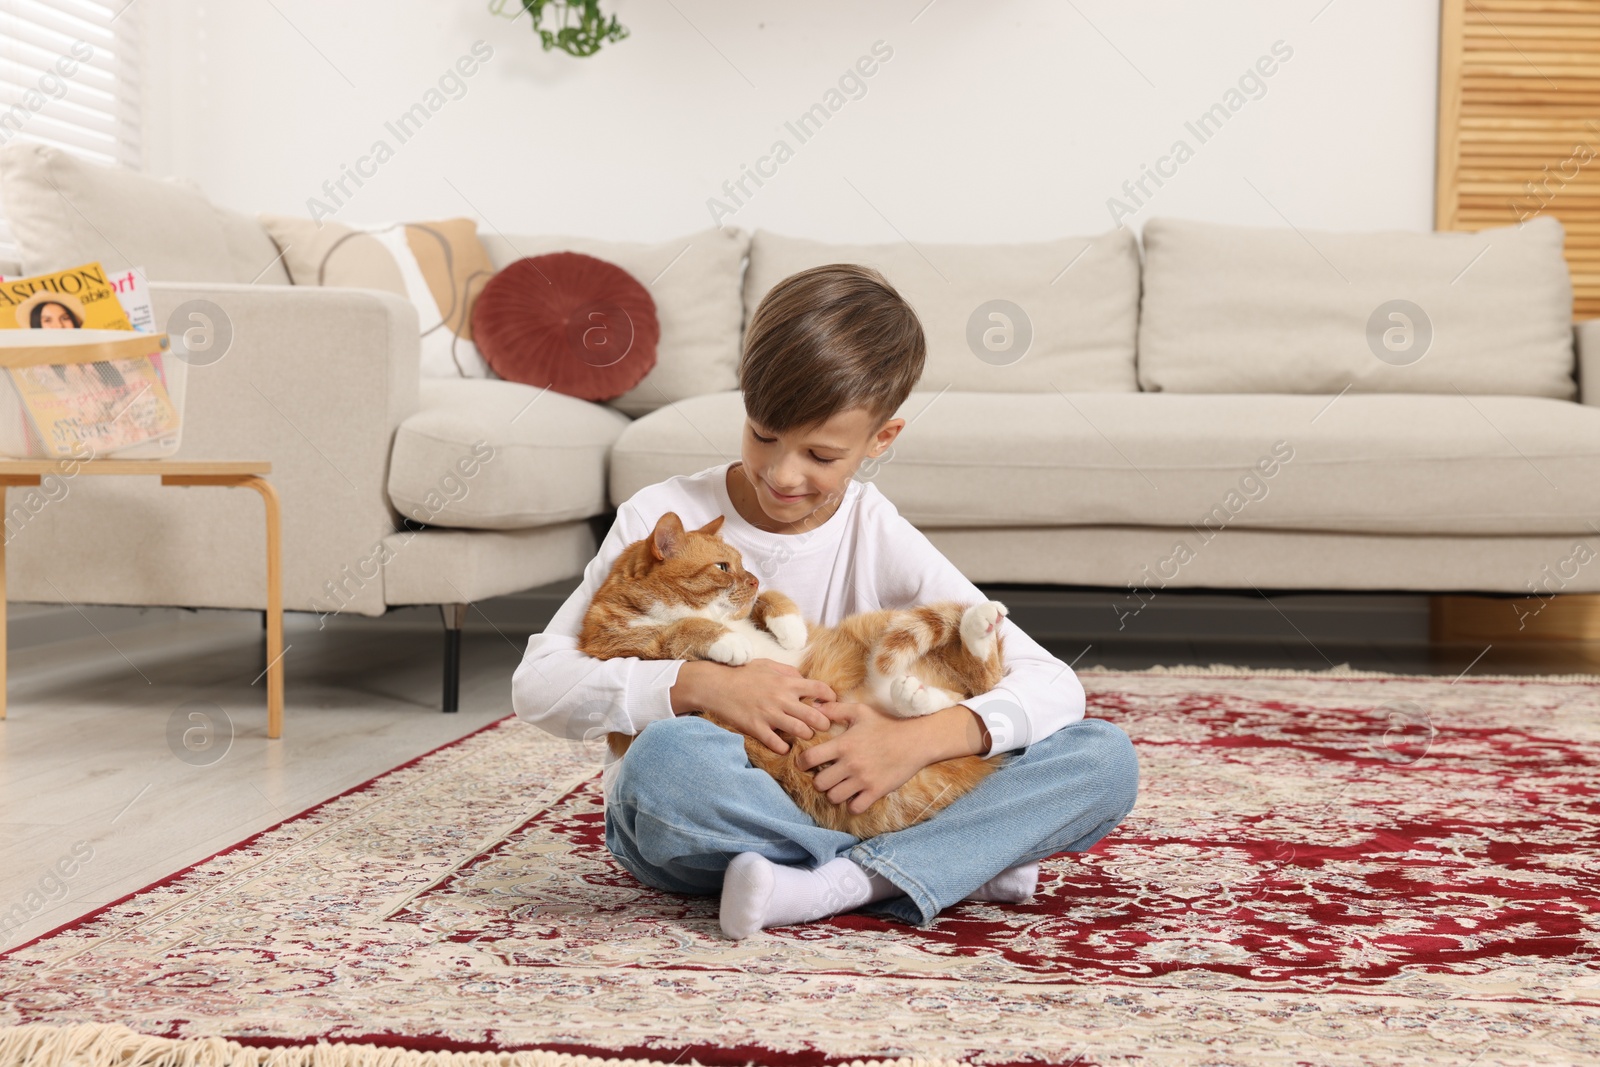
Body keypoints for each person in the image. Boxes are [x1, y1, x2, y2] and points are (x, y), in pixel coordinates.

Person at [512, 263, 1139, 939]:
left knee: (1103, 759)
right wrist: (698, 685)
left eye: (819, 453)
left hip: (862, 787)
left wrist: (916, 741)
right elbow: (538, 684)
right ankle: (937, 864)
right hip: (719, 806)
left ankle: (825, 881)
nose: (783, 474)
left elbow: (1052, 683)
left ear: (881, 440)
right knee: (662, 769)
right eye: (762, 434)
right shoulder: (663, 515)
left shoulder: (874, 528)